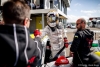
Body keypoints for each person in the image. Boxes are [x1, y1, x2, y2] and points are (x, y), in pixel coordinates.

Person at [0, 0, 42, 67]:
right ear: (26, 21)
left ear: (4, 20)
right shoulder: (33, 46)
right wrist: (38, 36)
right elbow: (38, 46)